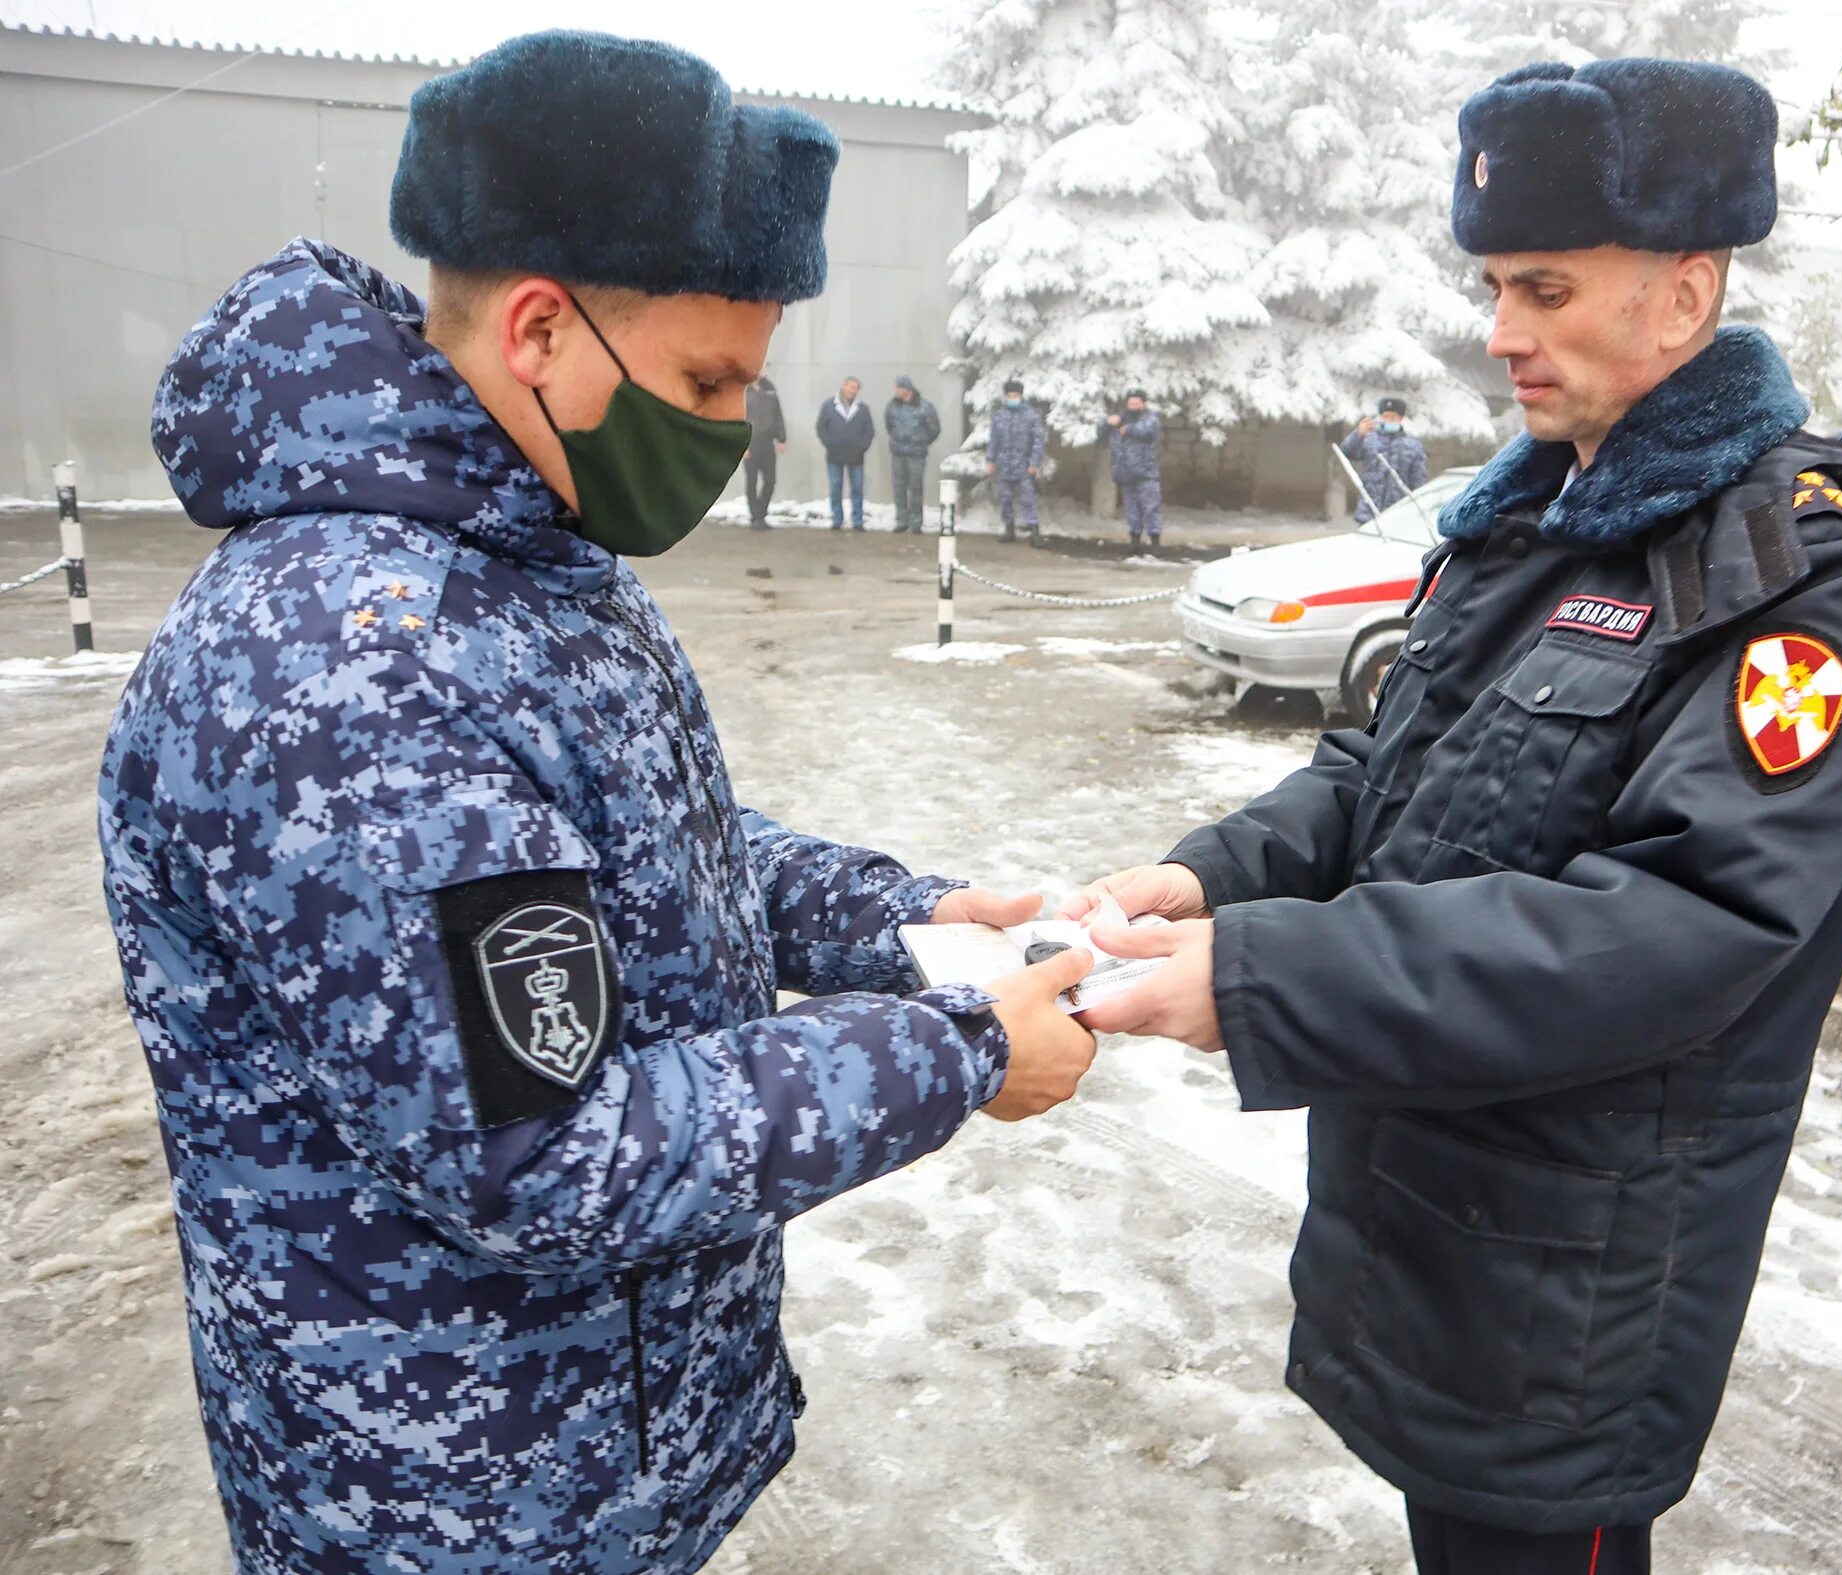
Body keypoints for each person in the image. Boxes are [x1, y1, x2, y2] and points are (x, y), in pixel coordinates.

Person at [98, 31, 1099, 1575]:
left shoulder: (520, 542)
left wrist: (887, 919)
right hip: (457, 1504)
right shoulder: (366, 662)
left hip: (587, 1455)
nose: (718, 429)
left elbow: (609, 856)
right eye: (705, 381)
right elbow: (543, 1153)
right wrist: (959, 1050)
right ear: (543, 328)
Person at [1064, 57, 1842, 1575]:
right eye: (1492, 284)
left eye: (1543, 287)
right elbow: (1382, 770)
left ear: (1682, 295)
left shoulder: (1791, 565)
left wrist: (1272, 981)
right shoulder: (1528, 514)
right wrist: (1206, 878)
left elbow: (1686, 920)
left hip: (1569, 1283)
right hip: (1426, 1209)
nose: (1498, 332)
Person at [1342, 394, 1429, 522]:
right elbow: (1347, 452)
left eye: (1393, 417)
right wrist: (1358, 434)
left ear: (1401, 418)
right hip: (1369, 512)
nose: (1389, 420)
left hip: (1398, 515)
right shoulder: (1369, 439)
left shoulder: (1413, 445)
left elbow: (1419, 482)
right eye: (1385, 416)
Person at [985, 376, 1046, 544]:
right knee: (1005, 498)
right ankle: (1009, 529)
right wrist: (991, 460)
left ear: (1021, 396)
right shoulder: (999, 416)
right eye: (1009, 395)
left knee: (1028, 499)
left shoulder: (1031, 416)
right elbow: (994, 440)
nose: (1012, 399)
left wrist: (1034, 463)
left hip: (1024, 465)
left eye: (1015, 395)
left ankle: (1034, 532)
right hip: (1004, 465)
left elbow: (1038, 441)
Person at [1102, 387, 1164, 551]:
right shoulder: (1120, 419)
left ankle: (1155, 543)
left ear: (1143, 404)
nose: (1133, 406)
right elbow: (1101, 434)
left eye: (1137, 403)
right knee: (1132, 510)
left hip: (1146, 473)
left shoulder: (1150, 419)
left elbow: (1147, 431)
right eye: (1130, 403)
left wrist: (1128, 429)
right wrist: (1108, 422)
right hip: (1126, 473)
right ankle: (1134, 542)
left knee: (1151, 508)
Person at [816, 374, 875, 529]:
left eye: (856, 388)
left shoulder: (862, 409)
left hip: (856, 456)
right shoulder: (829, 405)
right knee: (835, 487)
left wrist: (862, 447)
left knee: (857, 488)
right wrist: (830, 444)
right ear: (843, 386)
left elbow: (869, 431)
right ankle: (837, 519)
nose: (853, 391)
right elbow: (821, 428)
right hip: (835, 455)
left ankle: (858, 520)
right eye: (851, 387)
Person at [885, 374, 941, 532]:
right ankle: (901, 521)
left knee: (916, 488)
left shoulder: (925, 406)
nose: (896, 390)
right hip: (898, 453)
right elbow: (889, 426)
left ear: (907, 389)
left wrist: (921, 441)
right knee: (899, 487)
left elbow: (934, 429)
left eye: (899, 387)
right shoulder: (892, 406)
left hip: (916, 454)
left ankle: (916, 522)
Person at [743, 370, 786, 527]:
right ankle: (755, 516)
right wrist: (741, 446)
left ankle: (761, 512)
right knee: (752, 481)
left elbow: (778, 414)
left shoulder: (769, 389)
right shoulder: (743, 390)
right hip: (750, 443)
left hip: (767, 442)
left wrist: (781, 438)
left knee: (770, 480)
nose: (762, 372)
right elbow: (737, 418)